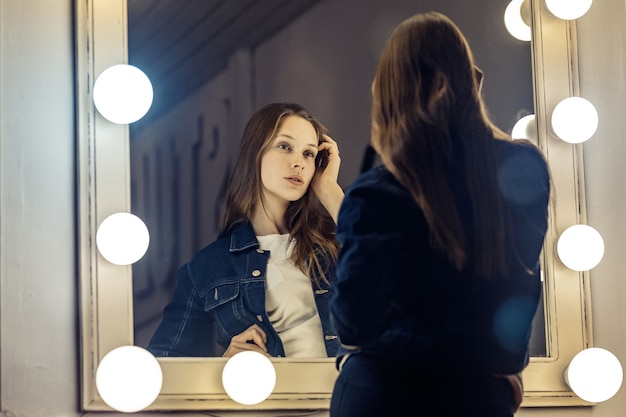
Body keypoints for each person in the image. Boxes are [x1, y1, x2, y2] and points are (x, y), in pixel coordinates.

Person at [329, 12, 550, 417]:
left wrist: (375, 164)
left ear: (390, 94)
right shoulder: (525, 169)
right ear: (470, 80)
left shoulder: (381, 191)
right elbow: (510, 293)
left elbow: (353, 324)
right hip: (482, 398)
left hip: (385, 396)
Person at [148, 102, 343, 358]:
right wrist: (223, 367)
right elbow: (162, 365)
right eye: (285, 147)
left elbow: (398, 274)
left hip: (348, 396)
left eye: (308, 154)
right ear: (255, 153)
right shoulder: (209, 268)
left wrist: (329, 189)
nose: (299, 163)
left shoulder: (339, 240)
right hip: (275, 398)